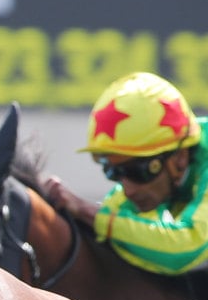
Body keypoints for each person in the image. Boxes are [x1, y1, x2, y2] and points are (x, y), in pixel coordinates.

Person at [50, 72, 208, 276]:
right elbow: (111, 219)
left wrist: (85, 210)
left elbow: (185, 247)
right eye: (113, 171)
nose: (128, 190)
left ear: (180, 157)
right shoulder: (162, 175)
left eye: (138, 172)